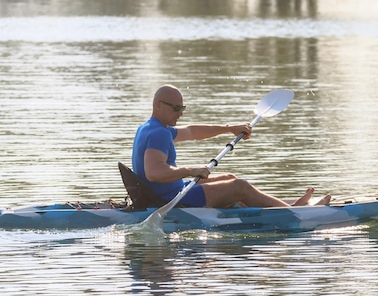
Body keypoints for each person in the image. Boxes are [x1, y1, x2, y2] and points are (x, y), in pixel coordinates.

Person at [131, 84, 330, 208]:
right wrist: (191, 170)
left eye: (182, 108)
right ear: (158, 105)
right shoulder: (159, 134)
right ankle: (294, 212)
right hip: (173, 199)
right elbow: (154, 173)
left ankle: (287, 205)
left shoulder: (151, 128)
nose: (180, 112)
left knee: (230, 178)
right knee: (239, 186)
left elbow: (192, 132)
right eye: (176, 108)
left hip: (171, 190)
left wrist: (229, 128)